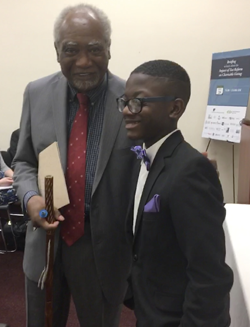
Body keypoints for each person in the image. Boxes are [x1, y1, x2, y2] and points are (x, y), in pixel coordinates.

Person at [13, 4, 138, 327]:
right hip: (45, 240)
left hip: (102, 249)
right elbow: (24, 161)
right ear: (57, 51)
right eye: (71, 50)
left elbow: (149, 169)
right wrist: (30, 200)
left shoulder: (134, 100)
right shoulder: (36, 93)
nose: (84, 61)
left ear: (109, 49)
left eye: (95, 49)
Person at [118, 59, 234, 327]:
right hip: (150, 307)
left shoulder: (191, 171)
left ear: (175, 107)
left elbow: (209, 273)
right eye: (124, 101)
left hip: (177, 317)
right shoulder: (146, 157)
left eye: (138, 102)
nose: (126, 110)